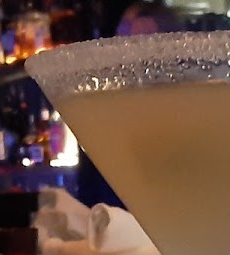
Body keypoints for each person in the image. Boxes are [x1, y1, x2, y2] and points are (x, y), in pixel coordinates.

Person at [75, 1, 185, 208]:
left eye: (140, 46)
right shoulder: (102, 120)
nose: (128, 59)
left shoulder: (195, 119)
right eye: (122, 43)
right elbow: (90, 203)